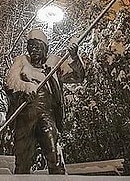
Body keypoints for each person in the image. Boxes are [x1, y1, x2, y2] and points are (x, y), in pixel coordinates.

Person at [5, 28, 85, 174]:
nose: (33, 50)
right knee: (22, 160)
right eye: (31, 46)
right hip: (25, 116)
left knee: (53, 155)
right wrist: (25, 87)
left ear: (45, 48)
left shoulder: (54, 63)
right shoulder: (21, 62)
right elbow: (10, 83)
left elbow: (78, 76)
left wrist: (74, 57)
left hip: (47, 116)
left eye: (37, 46)